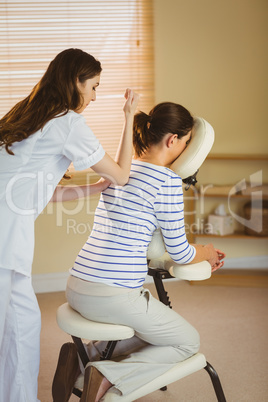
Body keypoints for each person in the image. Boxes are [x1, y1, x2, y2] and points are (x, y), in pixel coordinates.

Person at [53, 102, 225, 402]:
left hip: (76, 285)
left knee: (150, 330)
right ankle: (106, 375)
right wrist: (207, 252)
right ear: (173, 141)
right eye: (186, 143)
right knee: (187, 342)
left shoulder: (123, 166)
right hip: (112, 295)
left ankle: (81, 360)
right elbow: (181, 253)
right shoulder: (168, 181)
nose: (186, 151)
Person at [0, 48, 139, 402]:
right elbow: (122, 175)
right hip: (5, 233)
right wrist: (128, 117)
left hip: (10, 227)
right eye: (93, 87)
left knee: (23, 326)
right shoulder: (67, 122)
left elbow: (37, 193)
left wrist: (92, 188)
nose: (94, 96)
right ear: (75, 81)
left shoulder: (27, 113)